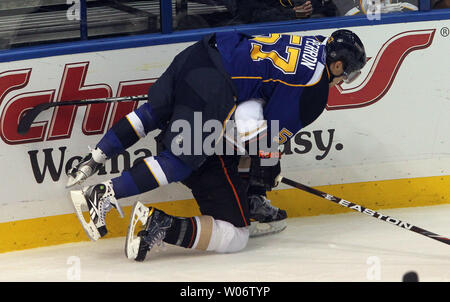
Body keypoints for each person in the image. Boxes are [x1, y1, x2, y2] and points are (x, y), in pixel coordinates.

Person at [66, 29, 366, 262]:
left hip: (202, 51)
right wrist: (269, 169)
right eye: (348, 73)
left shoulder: (313, 42)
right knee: (183, 159)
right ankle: (104, 195)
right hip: (215, 85)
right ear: (337, 65)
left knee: (154, 111)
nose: (345, 80)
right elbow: (270, 137)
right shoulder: (314, 90)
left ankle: (95, 156)